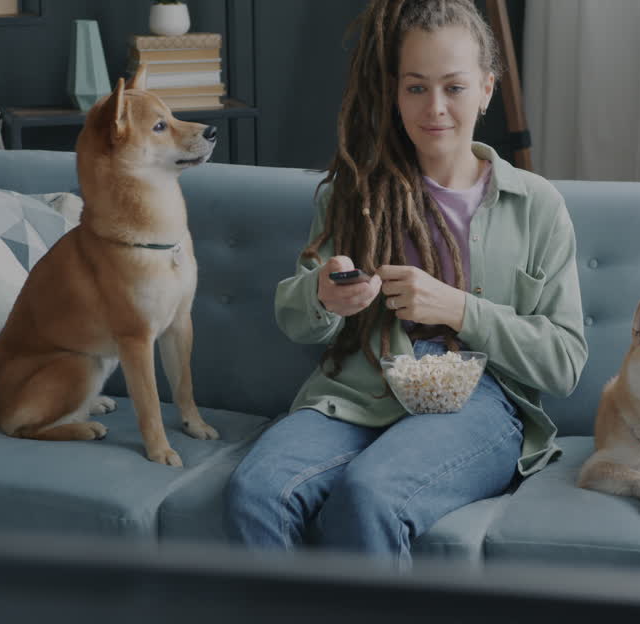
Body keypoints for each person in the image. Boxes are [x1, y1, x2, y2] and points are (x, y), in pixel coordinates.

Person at [224, 0, 587, 568]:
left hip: (481, 401)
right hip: (359, 388)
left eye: (454, 87)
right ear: (395, 93)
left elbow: (565, 364)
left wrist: (460, 310)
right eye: (416, 88)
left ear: (487, 90)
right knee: (256, 493)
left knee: (370, 495)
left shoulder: (536, 205)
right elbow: (294, 319)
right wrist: (324, 294)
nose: (435, 108)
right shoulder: (353, 194)